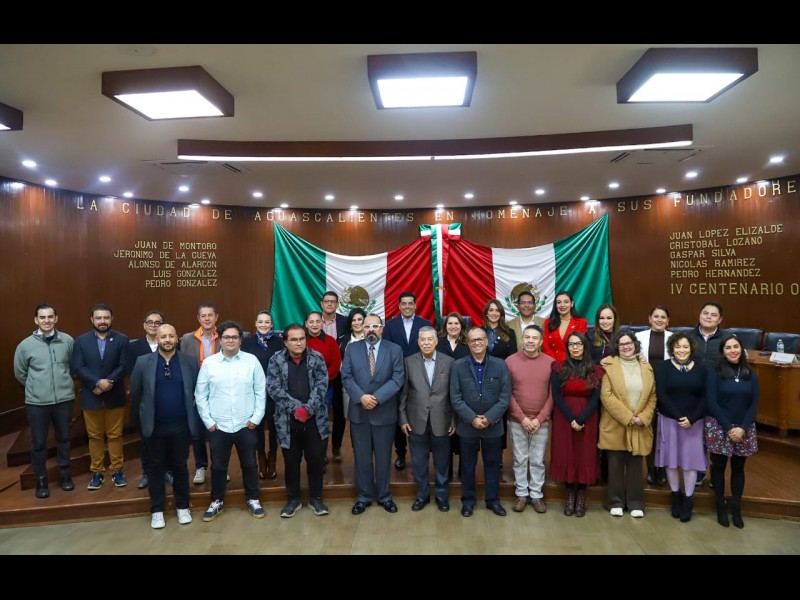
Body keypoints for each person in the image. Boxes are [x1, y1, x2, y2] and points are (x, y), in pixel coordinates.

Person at [195, 320, 266, 521]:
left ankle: (253, 498)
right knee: (218, 466)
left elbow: (261, 391)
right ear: (220, 340)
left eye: (235, 337)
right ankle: (216, 501)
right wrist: (209, 421)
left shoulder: (251, 361)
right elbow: (200, 394)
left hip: (246, 423)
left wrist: (256, 417)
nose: (231, 340)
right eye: (227, 337)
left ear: (240, 340)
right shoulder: (210, 363)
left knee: (250, 464)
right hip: (219, 426)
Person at [129, 324, 199, 529]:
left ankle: (183, 506)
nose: (167, 340)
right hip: (155, 427)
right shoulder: (143, 362)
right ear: (156, 339)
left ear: (177, 338)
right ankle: (157, 510)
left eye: (171, 336)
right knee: (155, 469)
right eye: (163, 336)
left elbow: (196, 390)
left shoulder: (189, 361)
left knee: (180, 467)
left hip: (181, 426)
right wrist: (141, 422)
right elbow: (136, 392)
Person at [341, 313, 405, 515]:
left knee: (384, 457)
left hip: (384, 412)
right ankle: (364, 497)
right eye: (367, 326)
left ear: (381, 328)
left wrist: (376, 398)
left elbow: (398, 378)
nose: (370, 330)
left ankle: (385, 496)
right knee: (362, 458)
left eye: (375, 326)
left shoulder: (394, 349)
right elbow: (346, 376)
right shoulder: (352, 349)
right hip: (359, 412)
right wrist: (361, 397)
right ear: (362, 328)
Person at [267, 323, 331, 518]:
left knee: (316, 461)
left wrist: (308, 409)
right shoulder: (276, 360)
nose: (298, 343)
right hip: (288, 422)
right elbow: (273, 388)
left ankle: (316, 498)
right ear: (285, 342)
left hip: (315, 420)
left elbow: (322, 385)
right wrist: (297, 408)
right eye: (293, 339)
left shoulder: (316, 357)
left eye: (302, 339)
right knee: (291, 462)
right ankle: (293, 500)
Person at [13, 303, 76, 498]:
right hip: (37, 403)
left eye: (50, 317)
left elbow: (73, 367)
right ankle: (41, 482)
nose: (46, 321)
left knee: (64, 439)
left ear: (56, 319)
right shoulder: (25, 346)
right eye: (42, 317)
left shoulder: (67, 341)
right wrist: (37, 387)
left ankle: (65, 477)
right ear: (36, 320)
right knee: (39, 443)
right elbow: (20, 373)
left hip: (64, 400)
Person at [450, 326, 511, 517]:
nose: (476, 343)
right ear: (468, 344)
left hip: (493, 426)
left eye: (480, 339)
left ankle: (493, 501)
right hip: (467, 426)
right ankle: (468, 502)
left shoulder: (500, 365)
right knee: (467, 466)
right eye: (472, 340)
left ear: (486, 342)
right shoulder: (458, 366)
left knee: (492, 465)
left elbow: (505, 397)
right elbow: (455, 397)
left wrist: (489, 418)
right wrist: (472, 418)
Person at [598, 329, 657, 518]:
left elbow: (652, 396)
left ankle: (636, 502)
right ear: (616, 346)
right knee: (615, 465)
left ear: (635, 344)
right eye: (621, 344)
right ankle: (615, 501)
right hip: (616, 422)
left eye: (628, 343)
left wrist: (643, 417)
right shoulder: (608, 365)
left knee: (636, 465)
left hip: (639, 424)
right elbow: (606, 395)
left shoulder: (646, 367)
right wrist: (627, 416)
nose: (625, 347)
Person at [71, 303, 130, 490]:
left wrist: (107, 383)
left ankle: (117, 470)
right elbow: (78, 367)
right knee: (94, 436)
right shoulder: (81, 341)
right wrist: (97, 383)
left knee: (115, 435)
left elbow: (124, 365)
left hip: (115, 395)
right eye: (98, 318)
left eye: (106, 317)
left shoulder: (122, 339)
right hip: (91, 395)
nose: (102, 321)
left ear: (111, 319)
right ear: (92, 319)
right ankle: (97, 472)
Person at [399, 326, 455, 512]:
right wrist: (403, 419)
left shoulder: (449, 362)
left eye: (430, 339)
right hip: (416, 421)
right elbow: (403, 394)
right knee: (419, 463)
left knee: (442, 463)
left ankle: (442, 497)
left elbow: (454, 395)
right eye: (422, 340)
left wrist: (454, 420)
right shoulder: (409, 362)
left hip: (442, 421)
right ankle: (422, 496)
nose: (426, 343)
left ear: (436, 341)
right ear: (418, 342)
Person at [706, 333, 759, 529]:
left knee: (738, 468)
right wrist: (729, 428)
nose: (732, 350)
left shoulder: (751, 374)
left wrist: (742, 428)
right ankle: (720, 505)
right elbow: (711, 402)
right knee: (718, 468)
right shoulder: (715, 373)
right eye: (728, 347)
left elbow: (754, 404)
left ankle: (736, 507)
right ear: (723, 352)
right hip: (720, 426)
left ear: (741, 349)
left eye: (735, 346)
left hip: (744, 428)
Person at [654, 332, 707, 523]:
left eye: (685, 346)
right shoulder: (663, 367)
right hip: (670, 420)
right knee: (671, 461)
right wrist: (678, 416)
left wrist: (691, 418)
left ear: (691, 348)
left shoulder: (702, 369)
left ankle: (688, 499)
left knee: (690, 463)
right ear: (672, 349)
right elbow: (661, 394)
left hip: (694, 423)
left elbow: (705, 396)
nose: (681, 350)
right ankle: (675, 495)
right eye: (677, 347)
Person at [549, 331, 603, 517]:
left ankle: (581, 494)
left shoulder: (595, 370)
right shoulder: (559, 367)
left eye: (578, 344)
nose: (575, 347)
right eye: (571, 344)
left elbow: (596, 397)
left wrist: (581, 419)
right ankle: (570, 493)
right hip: (564, 417)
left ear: (585, 346)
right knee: (567, 453)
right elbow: (556, 396)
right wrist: (571, 418)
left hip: (588, 417)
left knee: (584, 454)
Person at [505, 324, 554, 513]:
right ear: (522, 339)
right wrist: (522, 418)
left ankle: (536, 495)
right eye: (527, 337)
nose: (530, 341)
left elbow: (552, 395)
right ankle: (521, 495)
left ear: (541, 341)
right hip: (517, 420)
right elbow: (507, 393)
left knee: (537, 459)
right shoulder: (510, 361)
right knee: (519, 458)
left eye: (535, 338)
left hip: (541, 422)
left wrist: (539, 419)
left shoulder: (550, 363)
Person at [382, 291, 433, 471]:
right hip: (397, 377)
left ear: (415, 305)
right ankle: (401, 453)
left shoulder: (425, 324)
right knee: (400, 414)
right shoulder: (390, 326)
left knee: (421, 414)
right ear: (399, 306)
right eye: (403, 303)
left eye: (410, 303)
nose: (407, 306)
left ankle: (422, 454)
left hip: (421, 377)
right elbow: (387, 351)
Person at [125, 310, 167, 489]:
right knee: (146, 440)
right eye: (150, 322)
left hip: (166, 401)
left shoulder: (169, 343)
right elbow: (132, 375)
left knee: (166, 439)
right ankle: (147, 473)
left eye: (157, 323)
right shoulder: (133, 347)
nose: (153, 325)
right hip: (144, 402)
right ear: (144, 325)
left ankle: (166, 470)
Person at [179, 302, 220, 485]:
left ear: (216, 317)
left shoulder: (224, 336)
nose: (207, 319)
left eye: (210, 315)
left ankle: (219, 466)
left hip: (219, 392)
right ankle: (200, 467)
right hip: (196, 394)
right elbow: (183, 366)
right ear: (198, 318)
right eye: (203, 316)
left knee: (218, 433)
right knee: (197, 433)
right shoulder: (187, 339)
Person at [241, 310, 283, 480]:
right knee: (257, 428)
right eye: (260, 322)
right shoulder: (247, 342)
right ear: (255, 324)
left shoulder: (280, 342)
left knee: (274, 428)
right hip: (254, 393)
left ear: (271, 324)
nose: (263, 325)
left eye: (267, 322)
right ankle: (261, 459)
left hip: (275, 393)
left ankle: (272, 459)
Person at [636, 305, 673, 486]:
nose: (659, 320)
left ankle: (663, 469)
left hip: (668, 390)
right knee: (649, 430)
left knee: (665, 432)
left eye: (663, 317)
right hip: (645, 390)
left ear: (668, 321)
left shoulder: (674, 339)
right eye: (656, 316)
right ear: (649, 319)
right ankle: (651, 469)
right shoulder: (638, 337)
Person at [304, 310, 342, 466]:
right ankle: (311, 453)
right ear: (306, 324)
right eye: (311, 322)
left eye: (318, 321)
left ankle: (322, 453)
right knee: (308, 421)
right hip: (304, 389)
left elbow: (336, 363)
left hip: (326, 388)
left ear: (322, 324)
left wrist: (322, 382)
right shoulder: (301, 341)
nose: (314, 324)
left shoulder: (331, 341)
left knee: (322, 420)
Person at [436, 312, 469, 481]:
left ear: (462, 326)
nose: (453, 326)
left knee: (463, 436)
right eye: (450, 323)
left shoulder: (468, 344)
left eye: (457, 323)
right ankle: (446, 473)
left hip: (464, 395)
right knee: (445, 436)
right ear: (445, 326)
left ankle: (464, 472)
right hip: (443, 394)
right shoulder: (438, 343)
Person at [319, 292, 348, 466]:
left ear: (337, 304)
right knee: (320, 414)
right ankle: (321, 451)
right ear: (321, 303)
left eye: (333, 302)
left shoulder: (345, 322)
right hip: (316, 376)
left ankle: (336, 448)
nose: (330, 304)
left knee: (339, 413)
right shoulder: (314, 321)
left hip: (340, 374)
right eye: (327, 301)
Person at [542, 290, 588, 362]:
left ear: (572, 304)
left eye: (566, 302)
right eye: (559, 302)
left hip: (573, 363)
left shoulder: (581, 322)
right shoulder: (548, 322)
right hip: (551, 363)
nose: (562, 305)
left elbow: (580, 346)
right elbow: (545, 346)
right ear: (555, 305)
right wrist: (554, 363)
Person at [338, 307, 367, 419]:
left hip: (368, 385)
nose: (357, 323)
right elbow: (340, 363)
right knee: (350, 418)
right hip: (348, 385)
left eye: (360, 319)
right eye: (353, 320)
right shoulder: (342, 340)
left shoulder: (372, 338)